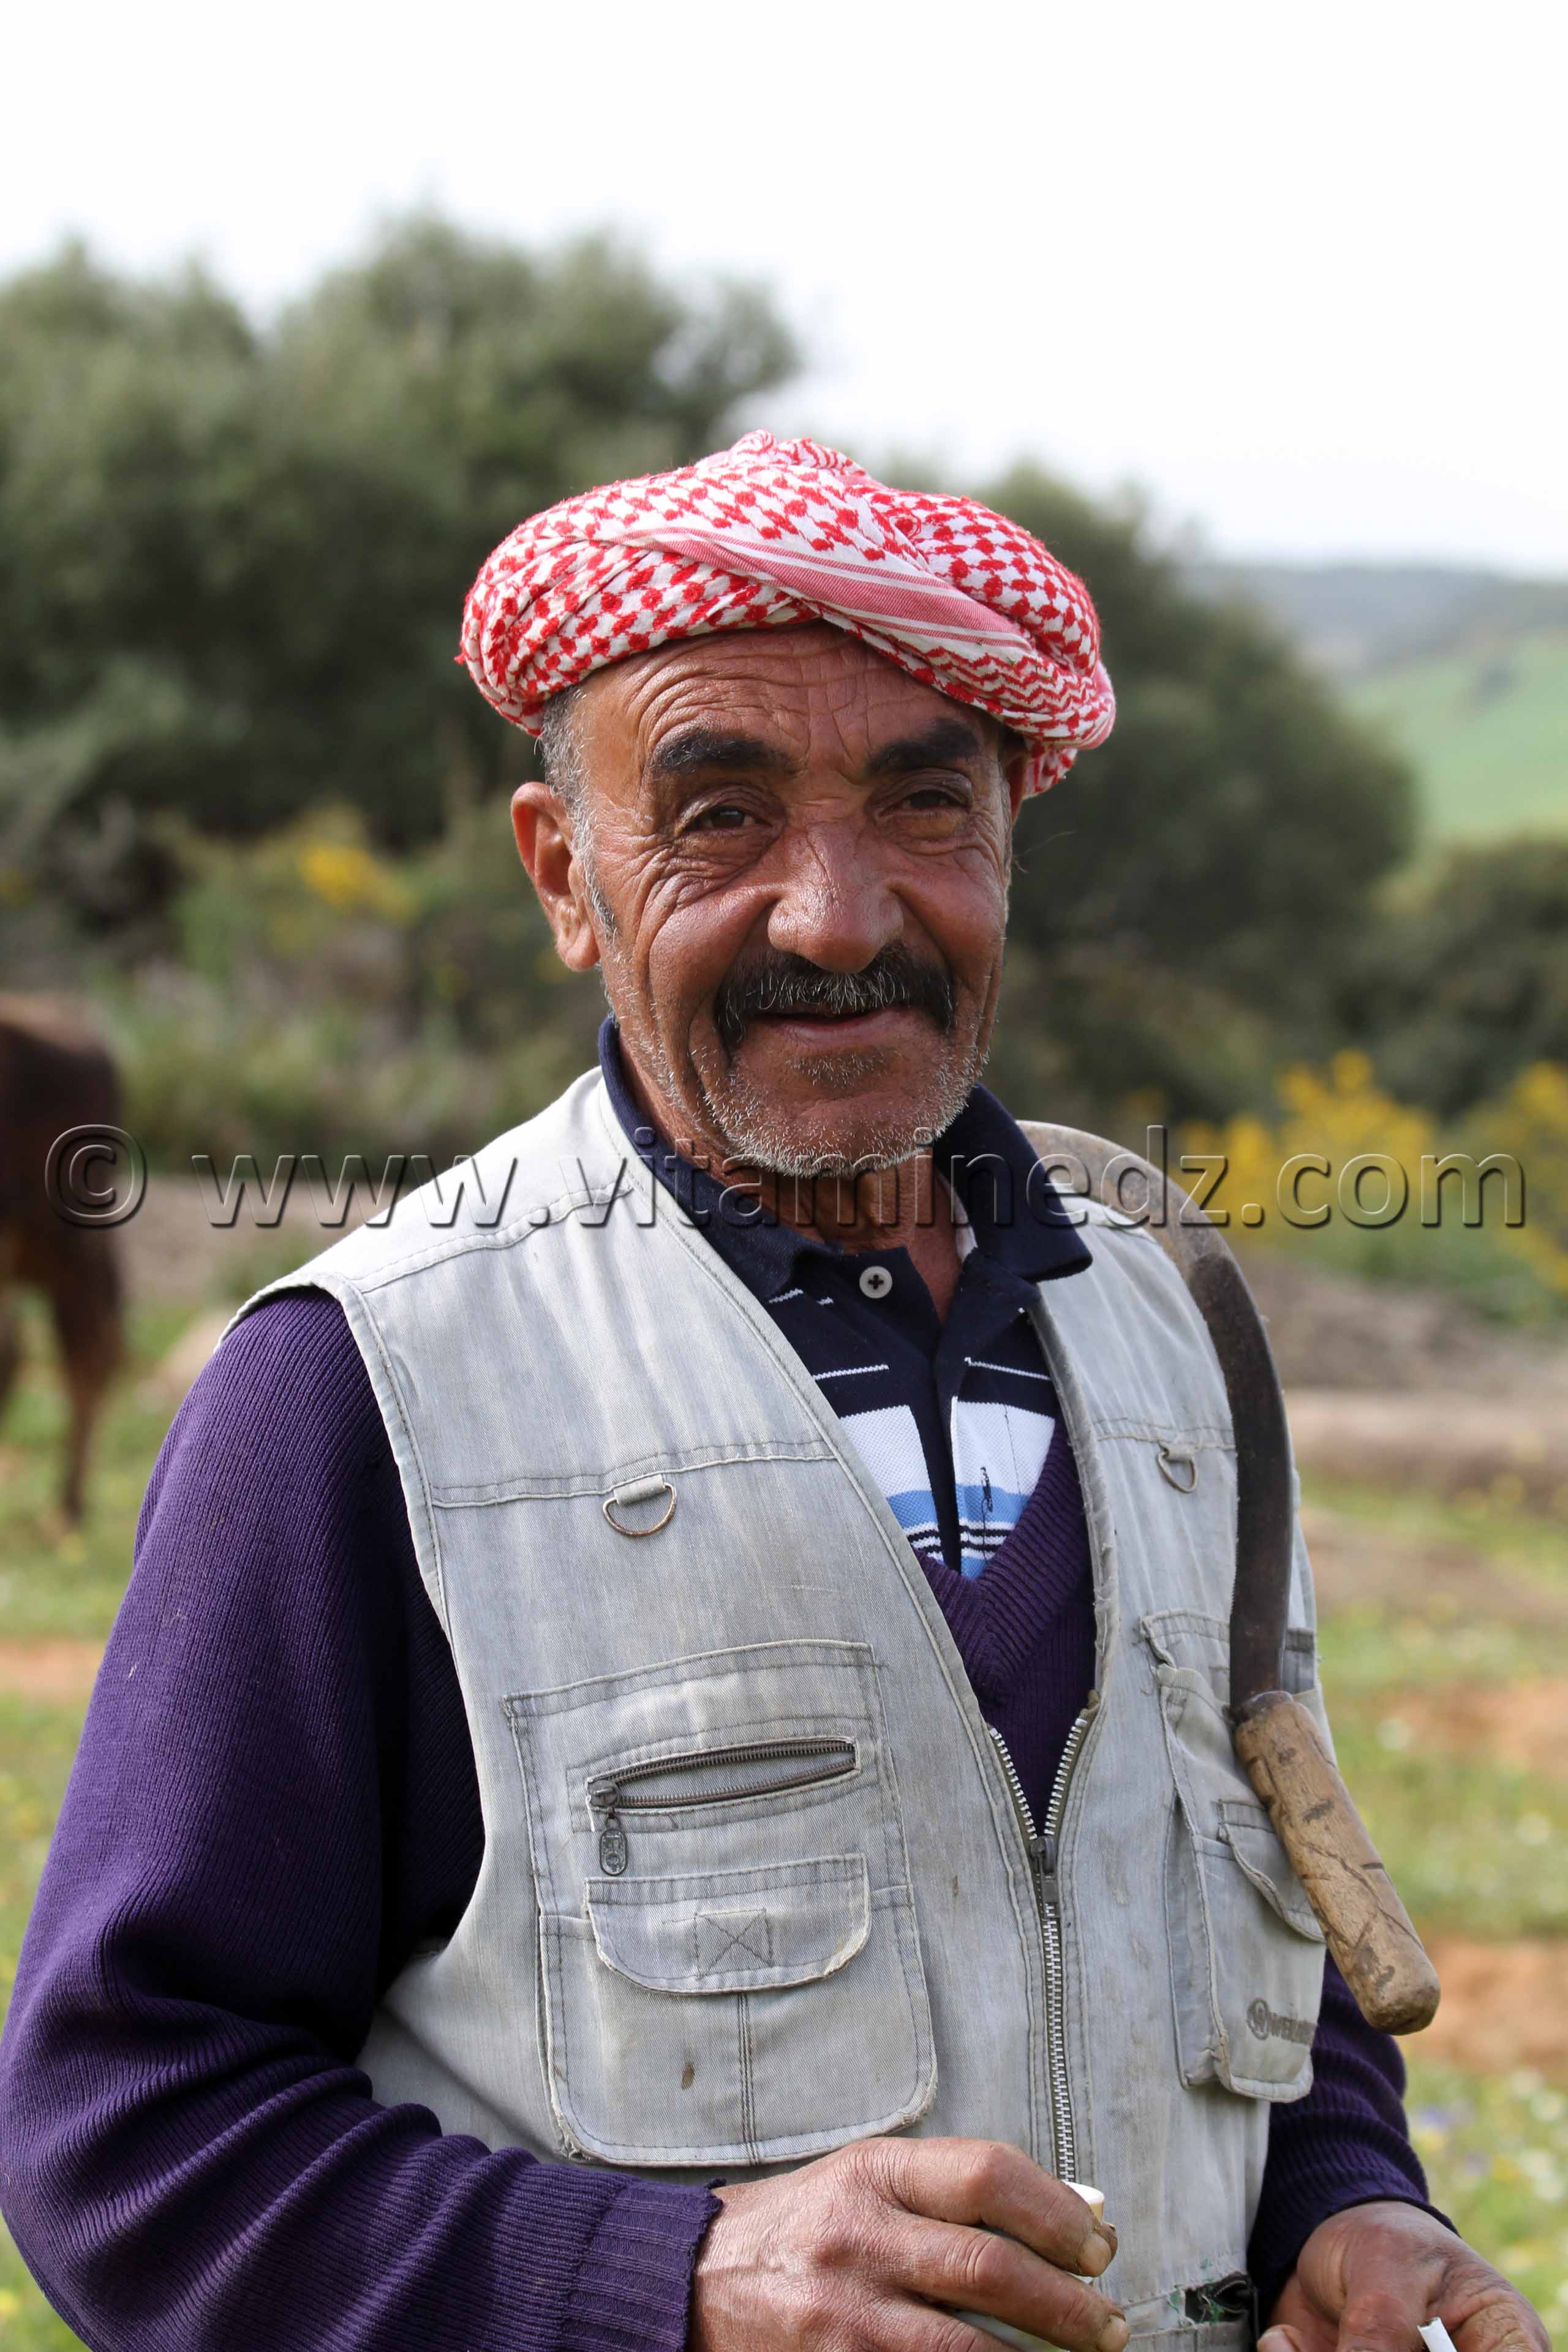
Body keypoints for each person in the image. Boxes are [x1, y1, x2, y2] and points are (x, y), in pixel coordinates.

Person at [0, 435, 1545, 2352]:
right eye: (720, 816)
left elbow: (1246, 1938)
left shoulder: (1181, 1339)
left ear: (1006, 841)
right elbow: (125, 2139)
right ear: (564, 874)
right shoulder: (364, 1391)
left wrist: (1346, 2202)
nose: (838, 915)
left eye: (924, 804)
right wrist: (667, 2277)